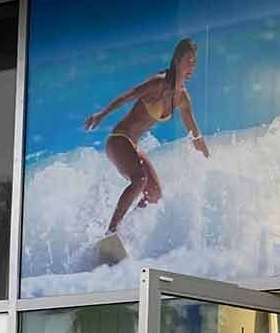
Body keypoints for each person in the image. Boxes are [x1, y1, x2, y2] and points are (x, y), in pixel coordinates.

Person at [84, 38, 210, 236]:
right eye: (189, 59)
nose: (192, 65)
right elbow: (128, 96)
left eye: (195, 61)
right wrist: (101, 114)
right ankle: (111, 232)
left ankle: (126, 231)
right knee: (140, 179)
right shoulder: (159, 83)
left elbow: (195, 134)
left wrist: (207, 159)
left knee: (155, 194)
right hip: (118, 140)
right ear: (177, 60)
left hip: (132, 145)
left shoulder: (182, 98)